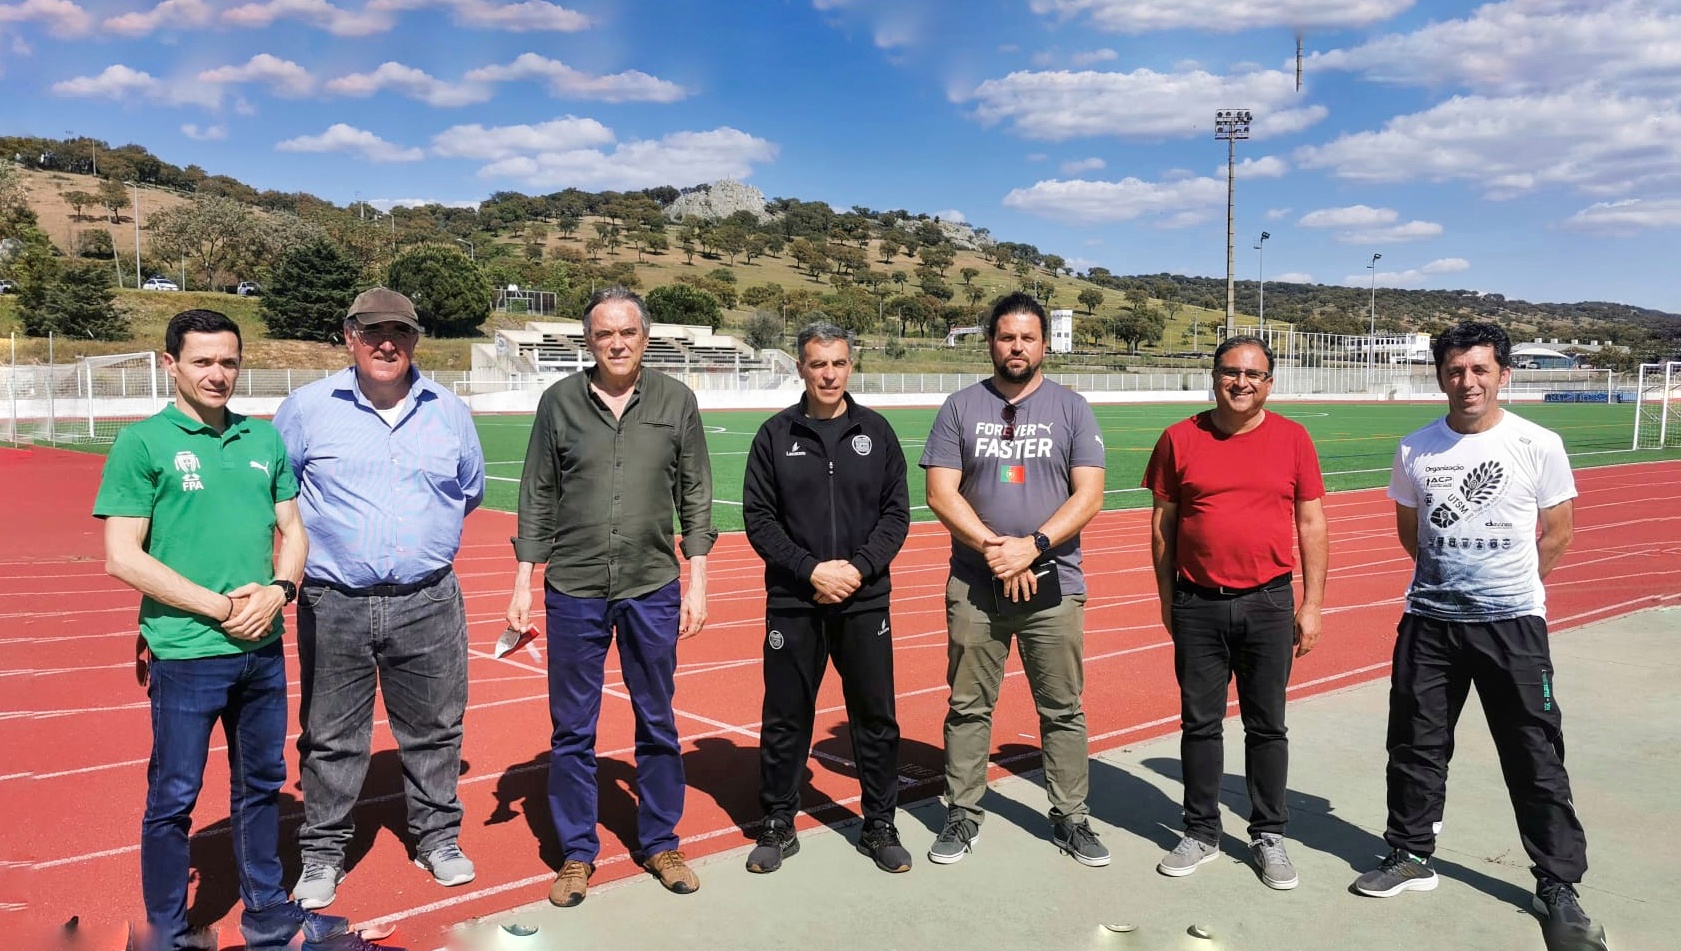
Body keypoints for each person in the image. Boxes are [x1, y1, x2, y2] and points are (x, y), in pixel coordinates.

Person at [94, 310, 389, 951]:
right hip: (187, 653)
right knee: (173, 798)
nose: (218, 374)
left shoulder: (263, 440)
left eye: (228, 361)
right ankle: (167, 935)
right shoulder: (142, 443)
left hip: (260, 652)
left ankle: (268, 918)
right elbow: (122, 555)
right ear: (170, 364)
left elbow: (293, 529)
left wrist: (280, 589)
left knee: (261, 786)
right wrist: (223, 608)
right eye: (202, 361)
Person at [1353, 321, 1608, 951]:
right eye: (1455, 370)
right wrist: (1451, 589)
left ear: (1503, 375)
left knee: (1534, 754)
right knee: (1415, 742)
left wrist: (1506, 590)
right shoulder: (1416, 448)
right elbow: (1411, 533)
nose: (1467, 381)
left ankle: (1557, 886)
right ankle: (1410, 854)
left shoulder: (1537, 443)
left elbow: (1558, 532)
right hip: (1429, 623)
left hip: (1512, 626)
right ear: (1440, 375)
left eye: (1480, 370)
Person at [273, 288, 486, 909]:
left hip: (429, 598)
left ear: (416, 340)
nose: (387, 343)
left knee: (435, 729)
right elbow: (279, 497)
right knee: (331, 736)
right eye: (373, 333)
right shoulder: (307, 409)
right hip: (333, 600)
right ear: (350, 337)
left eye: (400, 332)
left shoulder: (450, 411)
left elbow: (466, 492)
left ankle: (437, 839)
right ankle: (322, 853)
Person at [506, 286, 717, 907]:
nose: (617, 343)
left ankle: (661, 841)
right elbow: (537, 493)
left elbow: (696, 491)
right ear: (589, 340)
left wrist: (696, 580)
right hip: (572, 589)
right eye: (604, 334)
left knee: (657, 720)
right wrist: (523, 581)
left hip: (652, 585)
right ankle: (576, 854)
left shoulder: (676, 400)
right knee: (573, 729)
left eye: (627, 332)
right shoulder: (559, 403)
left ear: (645, 337)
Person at [919, 292, 1108, 867]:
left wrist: (1034, 546)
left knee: (1062, 708)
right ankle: (962, 813)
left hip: (1055, 582)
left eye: (1028, 337)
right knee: (969, 704)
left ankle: (1072, 817)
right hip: (977, 583)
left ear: (1045, 344)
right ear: (991, 342)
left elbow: (1090, 493)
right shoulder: (959, 407)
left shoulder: (1072, 409)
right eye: (1006, 337)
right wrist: (995, 549)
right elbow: (939, 493)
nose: (1017, 347)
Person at [1142, 335, 1328, 890]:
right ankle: (1201, 831)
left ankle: (1269, 833)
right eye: (1230, 372)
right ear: (1214, 376)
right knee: (1199, 725)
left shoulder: (1294, 439)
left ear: (1270, 382)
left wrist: (1312, 603)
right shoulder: (1179, 439)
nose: (1241, 382)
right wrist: (1166, 598)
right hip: (1197, 601)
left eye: (1254, 374)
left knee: (1266, 726)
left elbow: (1312, 524)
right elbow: (1162, 525)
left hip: (1269, 601)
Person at [741, 321, 912, 874]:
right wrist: (810, 569)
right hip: (794, 600)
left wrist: (857, 570)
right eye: (818, 364)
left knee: (875, 715)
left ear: (851, 366)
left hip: (864, 600)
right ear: (801, 368)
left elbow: (896, 516)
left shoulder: (877, 432)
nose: (829, 374)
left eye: (838, 363)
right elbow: (759, 520)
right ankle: (777, 822)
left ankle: (880, 823)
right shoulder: (774, 435)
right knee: (785, 716)